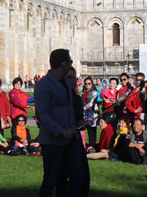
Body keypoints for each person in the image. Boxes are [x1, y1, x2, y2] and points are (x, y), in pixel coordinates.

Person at [35, 49, 83, 197]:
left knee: (77, 177)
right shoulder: (44, 84)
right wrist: (61, 131)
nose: (70, 65)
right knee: (51, 179)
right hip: (53, 141)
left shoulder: (65, 83)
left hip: (71, 138)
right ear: (63, 64)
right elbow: (43, 114)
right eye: (70, 62)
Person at [81, 77, 99, 147]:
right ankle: (90, 145)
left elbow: (91, 103)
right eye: (86, 84)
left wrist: (83, 108)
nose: (87, 85)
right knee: (88, 131)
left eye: (89, 83)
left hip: (92, 114)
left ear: (92, 84)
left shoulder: (93, 92)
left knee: (92, 131)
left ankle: (92, 146)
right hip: (85, 114)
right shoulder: (83, 93)